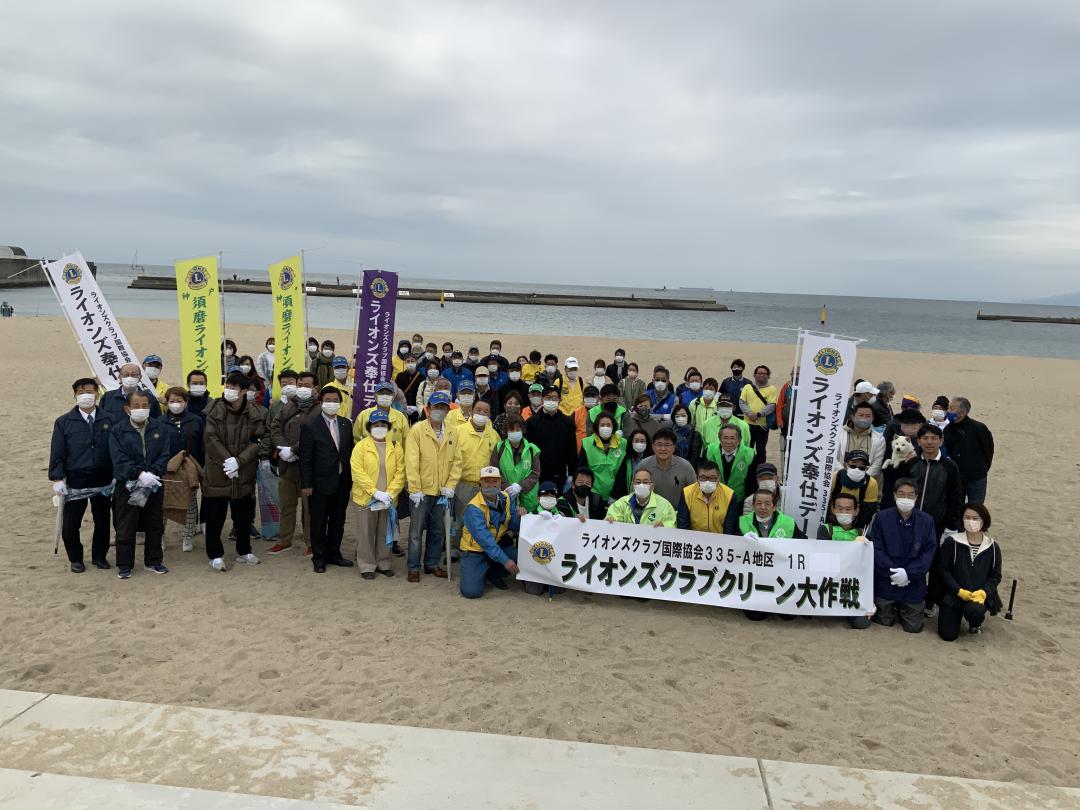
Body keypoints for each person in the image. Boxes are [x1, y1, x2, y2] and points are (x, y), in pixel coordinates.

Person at [202, 371, 266, 571]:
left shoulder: (254, 413)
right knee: (215, 516)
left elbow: (257, 440)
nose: (228, 390)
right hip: (217, 470)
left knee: (243, 517)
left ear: (244, 391)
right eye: (227, 386)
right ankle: (215, 555)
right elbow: (210, 438)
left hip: (243, 472)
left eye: (233, 388)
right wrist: (227, 460)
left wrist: (239, 462)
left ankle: (244, 551)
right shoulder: (215, 409)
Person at [49, 378, 114, 572]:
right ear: (75, 396)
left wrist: (117, 474)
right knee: (71, 523)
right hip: (76, 479)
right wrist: (57, 478)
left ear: (97, 394)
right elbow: (58, 451)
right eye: (80, 392)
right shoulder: (63, 422)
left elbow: (117, 449)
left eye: (89, 391)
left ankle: (99, 556)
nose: (85, 395)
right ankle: (75, 559)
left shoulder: (110, 419)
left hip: (103, 478)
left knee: (102, 521)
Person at [108, 389, 171, 579]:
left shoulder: (160, 428)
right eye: (136, 405)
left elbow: (165, 453)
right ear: (127, 408)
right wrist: (139, 474)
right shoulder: (118, 430)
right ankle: (125, 565)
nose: (141, 409)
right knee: (126, 525)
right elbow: (118, 458)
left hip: (153, 483)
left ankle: (153, 561)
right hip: (128, 485)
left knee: (155, 524)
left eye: (144, 405)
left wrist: (153, 473)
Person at [868, 478, 939, 633]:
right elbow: (877, 549)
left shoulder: (926, 521)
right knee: (883, 621)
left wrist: (909, 573)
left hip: (913, 583)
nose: (905, 498)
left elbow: (928, 552)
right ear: (894, 495)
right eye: (901, 494)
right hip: (886, 579)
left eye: (910, 495)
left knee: (913, 627)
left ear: (916, 497)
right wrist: (892, 572)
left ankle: (904, 609)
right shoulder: (881, 518)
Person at [404, 391, 460, 581]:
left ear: (448, 410)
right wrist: (414, 488)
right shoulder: (417, 430)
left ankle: (432, 563)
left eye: (443, 407)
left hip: (442, 491)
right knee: (416, 531)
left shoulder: (453, 431)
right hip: (421, 491)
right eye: (436, 407)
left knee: (438, 530)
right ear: (428, 408)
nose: (439, 410)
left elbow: (457, 461)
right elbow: (411, 461)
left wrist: (451, 485)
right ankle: (413, 567)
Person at [300, 386, 355, 573]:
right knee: (318, 521)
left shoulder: (346, 424)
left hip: (342, 481)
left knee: (338, 520)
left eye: (335, 400)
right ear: (321, 402)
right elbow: (305, 457)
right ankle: (319, 557)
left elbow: (349, 452)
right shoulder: (310, 425)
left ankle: (334, 554)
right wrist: (306, 484)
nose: (332, 403)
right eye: (328, 400)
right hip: (319, 483)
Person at [350, 409, 404, 580]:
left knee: (384, 532)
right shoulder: (360, 447)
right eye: (375, 424)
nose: (379, 427)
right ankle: (367, 565)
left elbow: (400, 472)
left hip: (387, 499)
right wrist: (375, 492)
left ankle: (383, 563)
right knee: (366, 533)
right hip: (366, 499)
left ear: (388, 427)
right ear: (369, 427)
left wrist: (390, 493)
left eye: (383, 424)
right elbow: (357, 472)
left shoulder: (395, 446)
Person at [268, 371, 317, 556]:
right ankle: (284, 540)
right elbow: (275, 427)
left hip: (309, 467)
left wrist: (295, 450)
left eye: (307, 386)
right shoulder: (289, 405)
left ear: (315, 388)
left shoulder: (319, 409)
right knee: (287, 505)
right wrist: (283, 449)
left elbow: (315, 436)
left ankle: (311, 542)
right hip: (287, 465)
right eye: (300, 385)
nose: (303, 389)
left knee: (310, 508)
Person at [937, 503, 1003, 641]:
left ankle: (975, 624)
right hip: (955, 594)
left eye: (975, 518)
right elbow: (944, 570)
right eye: (967, 517)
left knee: (975, 611)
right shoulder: (952, 542)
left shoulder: (992, 547)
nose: (971, 521)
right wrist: (958, 590)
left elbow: (995, 576)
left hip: (977, 596)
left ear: (983, 521)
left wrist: (984, 592)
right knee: (947, 635)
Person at [459, 467, 521, 598]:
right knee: (471, 592)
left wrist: (519, 516)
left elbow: (513, 525)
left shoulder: (507, 498)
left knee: (519, 556)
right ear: (480, 483)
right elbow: (485, 541)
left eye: (495, 481)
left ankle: (492, 574)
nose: (491, 485)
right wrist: (505, 561)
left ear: (500, 482)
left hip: (498, 544)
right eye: (487, 481)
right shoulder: (473, 507)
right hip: (475, 550)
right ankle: (480, 570)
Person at [815, 492, 874, 629]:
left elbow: (867, 566)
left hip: (852, 585)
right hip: (830, 582)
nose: (844, 513)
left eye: (848, 509)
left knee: (862, 623)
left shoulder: (863, 533)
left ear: (856, 511)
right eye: (840, 509)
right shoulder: (826, 529)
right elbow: (824, 558)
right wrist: (852, 548)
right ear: (833, 509)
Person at [901, 424, 964, 538]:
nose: (929, 442)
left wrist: (951, 525)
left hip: (937, 523)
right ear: (918, 441)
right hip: (910, 519)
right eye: (925, 438)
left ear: (941, 441)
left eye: (934, 438)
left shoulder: (950, 466)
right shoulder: (912, 463)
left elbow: (955, 496)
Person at [453, 400, 499, 550]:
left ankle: (481, 549)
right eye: (478, 410)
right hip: (463, 484)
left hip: (486, 486)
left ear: (490, 415)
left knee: (484, 520)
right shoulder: (458, 431)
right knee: (460, 519)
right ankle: (456, 549)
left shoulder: (493, 435)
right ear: (471, 411)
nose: (482, 414)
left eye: (486, 411)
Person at [163, 386, 204, 551]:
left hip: (189, 466)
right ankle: (160, 537)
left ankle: (187, 537)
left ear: (186, 402)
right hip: (167, 468)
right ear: (167, 402)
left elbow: (201, 444)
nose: (175, 404)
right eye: (172, 401)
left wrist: (200, 464)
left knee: (191, 502)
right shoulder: (159, 422)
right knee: (163, 504)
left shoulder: (196, 420)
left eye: (179, 401)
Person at [524, 385, 577, 494]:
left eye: (554, 398)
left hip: (560, 473)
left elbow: (572, 449)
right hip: (537, 473)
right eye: (548, 397)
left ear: (560, 399)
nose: (551, 400)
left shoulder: (567, 422)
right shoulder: (532, 422)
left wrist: (572, 473)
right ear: (542, 399)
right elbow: (527, 449)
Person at [944, 397, 994, 504]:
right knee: (956, 506)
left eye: (951, 409)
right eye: (948, 408)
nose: (948, 411)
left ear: (962, 413)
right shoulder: (947, 429)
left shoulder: (979, 428)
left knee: (976, 507)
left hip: (977, 478)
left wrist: (983, 468)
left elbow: (988, 450)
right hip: (957, 477)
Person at [577, 412, 632, 503]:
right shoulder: (587, 443)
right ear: (597, 427)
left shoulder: (623, 444)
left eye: (608, 425)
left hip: (616, 496)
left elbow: (623, 473)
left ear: (613, 427)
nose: (605, 428)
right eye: (602, 425)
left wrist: (615, 496)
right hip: (592, 495)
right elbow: (583, 470)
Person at [491, 414, 541, 513]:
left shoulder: (532, 449)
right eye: (511, 430)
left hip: (528, 498)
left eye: (518, 429)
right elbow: (494, 470)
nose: (515, 432)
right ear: (506, 431)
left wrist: (520, 486)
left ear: (523, 430)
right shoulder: (499, 448)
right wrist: (507, 487)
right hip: (505, 495)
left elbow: (535, 473)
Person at [635, 428, 696, 508]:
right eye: (659, 444)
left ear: (674, 447)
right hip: (649, 512)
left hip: (677, 512)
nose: (663, 449)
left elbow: (695, 493)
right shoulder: (644, 465)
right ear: (653, 446)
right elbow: (634, 491)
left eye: (667, 445)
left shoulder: (685, 466)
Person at [676, 459, 740, 534]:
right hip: (693, 538)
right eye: (703, 477)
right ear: (697, 478)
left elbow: (730, 527)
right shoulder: (687, 493)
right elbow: (683, 525)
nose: (707, 482)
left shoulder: (729, 495)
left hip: (720, 538)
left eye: (712, 478)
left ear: (718, 478)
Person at [605, 468, 677, 527]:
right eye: (638, 482)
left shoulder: (665, 505)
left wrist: (664, 527)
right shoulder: (622, 503)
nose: (641, 485)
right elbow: (611, 518)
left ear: (652, 485)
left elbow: (672, 526)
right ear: (633, 484)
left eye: (645, 482)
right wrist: (610, 520)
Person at [705, 423, 757, 504]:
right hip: (714, 498)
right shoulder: (709, 451)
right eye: (725, 438)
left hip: (739, 500)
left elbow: (752, 482)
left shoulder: (750, 454)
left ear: (739, 440)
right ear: (719, 439)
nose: (728, 442)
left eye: (732, 438)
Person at [836, 402, 886, 481]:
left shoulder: (879, 439)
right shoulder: (837, 434)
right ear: (853, 417)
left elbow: (877, 465)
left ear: (873, 419)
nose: (864, 418)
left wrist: (861, 479)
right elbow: (833, 458)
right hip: (840, 479)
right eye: (861, 415)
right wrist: (844, 474)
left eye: (868, 416)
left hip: (865, 482)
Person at [830, 450, 880, 529]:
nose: (857, 469)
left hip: (856, 524)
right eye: (853, 466)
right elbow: (824, 503)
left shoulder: (871, 483)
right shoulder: (834, 478)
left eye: (861, 467)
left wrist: (854, 531)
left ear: (866, 469)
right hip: (832, 520)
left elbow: (868, 512)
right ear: (845, 465)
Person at [739, 364, 777, 467]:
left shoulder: (772, 389)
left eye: (764, 373)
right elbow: (742, 402)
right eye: (759, 373)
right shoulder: (747, 387)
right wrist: (749, 413)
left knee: (761, 451)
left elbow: (772, 405)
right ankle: (747, 470)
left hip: (762, 426)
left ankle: (760, 471)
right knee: (747, 449)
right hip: (747, 425)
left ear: (768, 376)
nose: (761, 375)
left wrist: (759, 414)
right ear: (754, 375)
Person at [354, 380, 409, 445]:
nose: (385, 396)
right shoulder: (363, 415)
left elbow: (407, 441)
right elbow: (356, 439)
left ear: (393, 396)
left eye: (388, 393)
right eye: (381, 393)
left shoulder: (401, 417)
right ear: (375, 395)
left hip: (395, 451)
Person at [395, 353, 423, 418]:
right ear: (405, 363)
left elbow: (422, 393)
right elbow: (397, 392)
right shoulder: (400, 376)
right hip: (403, 407)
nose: (410, 363)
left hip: (416, 407)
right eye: (408, 361)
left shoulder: (422, 377)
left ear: (416, 362)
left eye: (412, 361)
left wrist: (418, 407)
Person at [572, 384, 600, 449]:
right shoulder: (576, 413)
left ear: (598, 398)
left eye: (593, 396)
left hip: (597, 448)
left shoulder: (603, 412)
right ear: (583, 397)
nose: (590, 398)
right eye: (587, 396)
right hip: (579, 449)